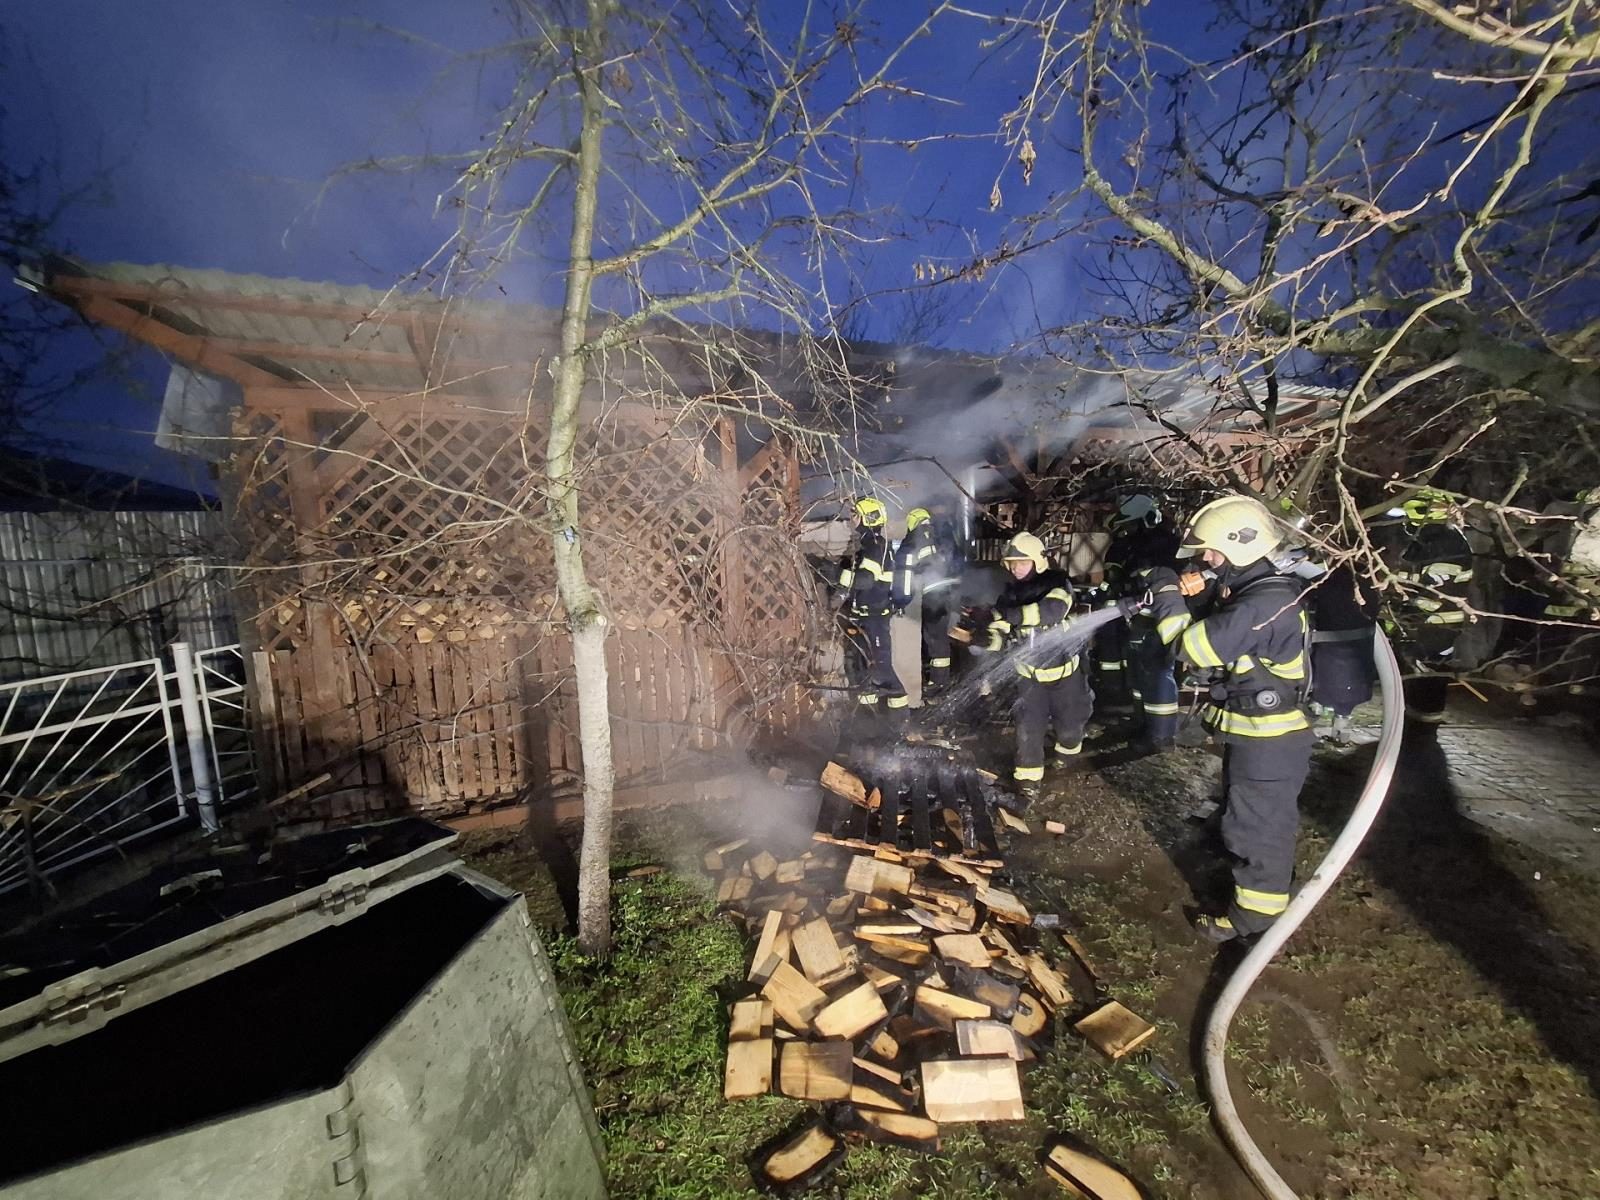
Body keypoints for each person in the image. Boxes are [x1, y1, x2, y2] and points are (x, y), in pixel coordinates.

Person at [1174, 495, 1313, 943]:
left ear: (1239, 548)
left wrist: (1164, 603)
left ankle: (1254, 922)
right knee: (1245, 816)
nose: (1205, 560)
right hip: (1258, 736)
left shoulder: (1262, 603)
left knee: (1257, 830)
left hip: (1269, 742)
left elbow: (1192, 650)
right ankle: (1245, 887)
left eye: (1211, 551)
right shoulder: (1256, 592)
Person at [972, 532, 1092, 801]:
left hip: (1066, 674)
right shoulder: (1009, 596)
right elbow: (1001, 635)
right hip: (1028, 676)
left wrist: (1010, 616)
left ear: (1038, 561)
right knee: (1028, 728)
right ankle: (1028, 782)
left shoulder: (1057, 583)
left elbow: (1052, 611)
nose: (1016, 568)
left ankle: (1066, 759)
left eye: (1022, 562)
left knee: (1070, 724)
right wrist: (984, 638)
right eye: (1012, 563)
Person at [836, 497, 908, 723]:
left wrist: (834, 574)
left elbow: (866, 580)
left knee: (882, 671)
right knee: (860, 671)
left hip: (875, 619)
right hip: (863, 619)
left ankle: (899, 724)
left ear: (866, 518)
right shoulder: (866, 545)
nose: (851, 520)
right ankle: (870, 724)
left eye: (854, 515)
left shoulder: (877, 547)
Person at [1121, 560, 1195, 753]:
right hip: (1144, 638)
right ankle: (1144, 726)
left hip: (1157, 641)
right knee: (1141, 686)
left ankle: (1161, 737)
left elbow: (1170, 610)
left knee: (1159, 684)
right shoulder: (1145, 578)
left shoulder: (1163, 575)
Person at [1306, 562, 1379, 744]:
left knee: (1333, 693)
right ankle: (1340, 728)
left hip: (1330, 663)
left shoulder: (1330, 585)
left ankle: (1328, 726)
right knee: (1343, 698)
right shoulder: (1368, 586)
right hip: (1353, 665)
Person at [894, 506, 957, 694]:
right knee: (940, 638)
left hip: (932, 596)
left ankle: (938, 684)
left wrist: (900, 601)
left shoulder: (913, 540)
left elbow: (904, 575)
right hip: (950, 594)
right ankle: (942, 680)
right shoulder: (939, 536)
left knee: (934, 638)